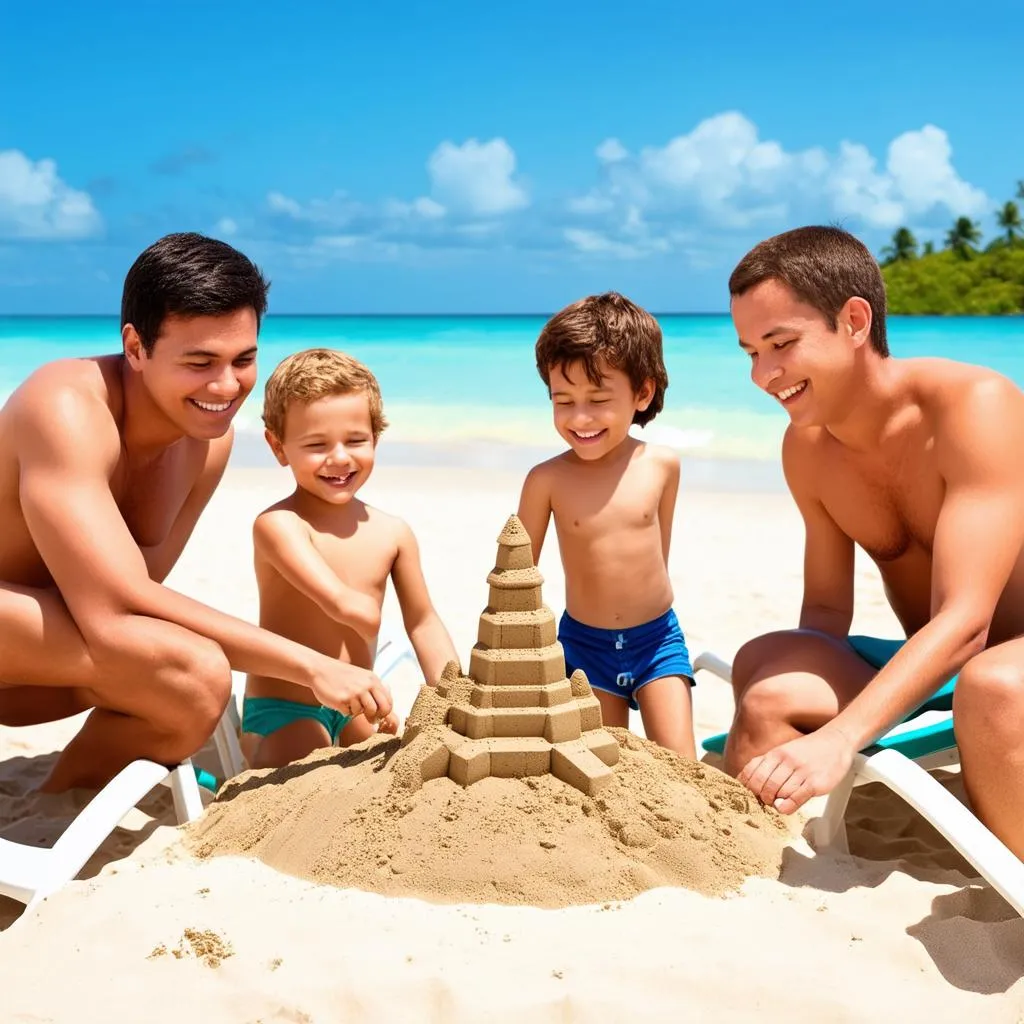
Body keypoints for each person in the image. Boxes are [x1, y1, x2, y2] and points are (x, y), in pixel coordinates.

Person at [0, 233, 391, 792]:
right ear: (135, 347)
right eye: (200, 361)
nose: (227, 386)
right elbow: (118, 605)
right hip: (26, 638)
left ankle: (61, 797)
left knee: (187, 687)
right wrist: (311, 666)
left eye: (244, 359)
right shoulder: (63, 406)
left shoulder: (209, 442)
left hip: (55, 662)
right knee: (195, 670)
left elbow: (136, 601)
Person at [725, 225, 1024, 858]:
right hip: (945, 666)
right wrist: (792, 692)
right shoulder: (806, 449)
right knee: (767, 667)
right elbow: (828, 615)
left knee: (994, 686)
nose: (764, 374)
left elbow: (968, 621)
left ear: (855, 321)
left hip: (995, 661)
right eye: (751, 351)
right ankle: (735, 869)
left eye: (781, 344)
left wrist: (839, 738)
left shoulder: (976, 407)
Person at [242, 348, 458, 769]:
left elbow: (423, 620)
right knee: (309, 755)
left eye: (356, 440)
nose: (339, 458)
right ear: (278, 446)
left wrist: (454, 689)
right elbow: (336, 601)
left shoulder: (393, 532)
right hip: (286, 709)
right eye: (316, 444)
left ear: (376, 437)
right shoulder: (279, 524)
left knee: (382, 763)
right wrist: (359, 611)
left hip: (355, 704)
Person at [516, 292, 696, 758]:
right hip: (583, 644)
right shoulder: (546, 480)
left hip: (657, 638)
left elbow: (660, 551)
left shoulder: (662, 466)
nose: (580, 417)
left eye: (598, 399)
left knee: (681, 764)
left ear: (642, 393)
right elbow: (518, 576)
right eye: (563, 400)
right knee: (601, 766)